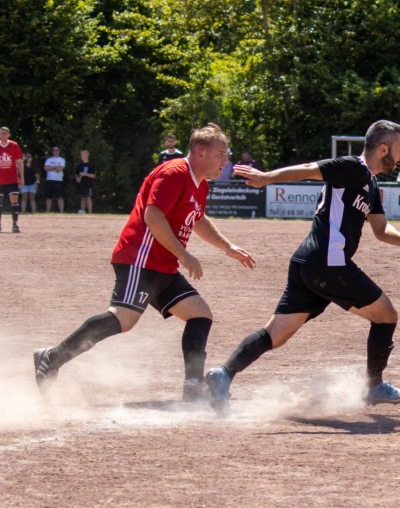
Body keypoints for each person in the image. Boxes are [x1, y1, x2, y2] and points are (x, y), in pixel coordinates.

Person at [205, 120, 400, 415]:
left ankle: (223, 373)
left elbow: (381, 230)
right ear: (383, 148)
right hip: (327, 262)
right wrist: (266, 177)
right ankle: (374, 387)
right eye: (399, 149)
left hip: (309, 263)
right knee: (386, 315)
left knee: (277, 334)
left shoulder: (371, 184)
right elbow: (311, 169)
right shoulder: (353, 167)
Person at [33, 123, 256, 400]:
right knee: (123, 319)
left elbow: (196, 218)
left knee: (200, 315)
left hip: (162, 265)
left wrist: (227, 247)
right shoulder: (173, 173)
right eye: (221, 154)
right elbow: (153, 216)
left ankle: (193, 386)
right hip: (140, 258)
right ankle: (51, 358)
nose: (226, 160)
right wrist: (183, 254)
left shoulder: (199, 184)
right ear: (200, 151)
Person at [44, 146, 66, 213]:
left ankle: (61, 211)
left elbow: (60, 169)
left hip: (58, 180)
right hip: (49, 180)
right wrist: (54, 167)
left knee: (60, 197)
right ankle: (47, 211)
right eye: (54, 150)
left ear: (59, 151)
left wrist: (51, 168)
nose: (55, 151)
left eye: (57, 150)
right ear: (52, 151)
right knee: (48, 197)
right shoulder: (49, 160)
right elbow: (45, 168)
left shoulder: (62, 160)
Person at [75, 149, 96, 214]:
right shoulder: (80, 165)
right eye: (81, 155)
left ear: (87, 155)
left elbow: (93, 175)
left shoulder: (91, 165)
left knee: (88, 197)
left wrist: (85, 174)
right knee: (82, 198)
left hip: (88, 184)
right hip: (81, 184)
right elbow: (77, 174)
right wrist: (78, 179)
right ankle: (82, 211)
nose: (81, 156)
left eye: (83, 155)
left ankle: (90, 212)